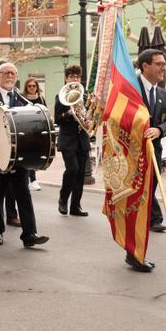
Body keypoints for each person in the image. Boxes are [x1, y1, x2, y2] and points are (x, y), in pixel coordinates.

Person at [0, 62, 48, 248]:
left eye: (13, 73)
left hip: (17, 156)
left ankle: (29, 234)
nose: (10, 76)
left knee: (23, 194)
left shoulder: (21, 99)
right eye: (5, 73)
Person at [124, 49, 166, 273]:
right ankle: (134, 253)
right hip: (131, 156)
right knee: (136, 205)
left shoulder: (163, 95)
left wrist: (159, 129)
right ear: (145, 66)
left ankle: (135, 251)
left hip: (153, 155)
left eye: (164, 64)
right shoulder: (129, 89)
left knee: (145, 201)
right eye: (159, 64)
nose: (163, 68)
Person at [54, 65, 89, 217]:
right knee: (72, 169)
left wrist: (89, 115)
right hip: (68, 140)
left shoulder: (85, 95)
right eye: (71, 76)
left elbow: (91, 116)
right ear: (66, 78)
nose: (74, 79)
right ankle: (63, 199)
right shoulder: (61, 96)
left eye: (77, 76)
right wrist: (69, 113)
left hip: (82, 140)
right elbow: (57, 119)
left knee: (81, 173)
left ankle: (75, 206)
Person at [22, 77, 46, 191]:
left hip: (38, 130)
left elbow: (45, 113)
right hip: (26, 131)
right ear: (26, 88)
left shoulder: (41, 98)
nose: (32, 88)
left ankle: (33, 180)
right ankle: (30, 180)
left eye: (34, 86)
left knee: (35, 155)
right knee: (28, 155)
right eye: (29, 86)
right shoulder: (22, 99)